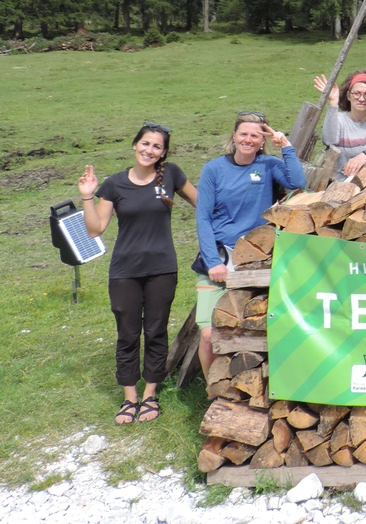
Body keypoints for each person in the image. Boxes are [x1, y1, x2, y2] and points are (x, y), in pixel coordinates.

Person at [77, 123, 197, 425]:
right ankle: (129, 398)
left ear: (164, 152)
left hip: (162, 269)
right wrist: (87, 196)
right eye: (145, 144)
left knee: (156, 331)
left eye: (156, 146)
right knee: (127, 334)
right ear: (135, 145)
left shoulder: (171, 175)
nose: (149, 150)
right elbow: (95, 229)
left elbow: (202, 203)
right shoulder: (114, 184)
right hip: (125, 272)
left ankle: (150, 395)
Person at [195, 112, 304, 379]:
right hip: (220, 255)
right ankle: (213, 388)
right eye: (243, 134)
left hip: (255, 258)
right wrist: (212, 262)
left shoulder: (267, 164)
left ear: (262, 140)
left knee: (251, 328)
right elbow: (203, 217)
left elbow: (297, 182)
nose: (248, 139)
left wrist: (286, 146)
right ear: (233, 136)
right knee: (210, 333)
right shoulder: (214, 168)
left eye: (255, 135)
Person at [313, 70, 366, 180]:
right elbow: (329, 141)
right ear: (349, 96)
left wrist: (364, 156)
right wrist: (333, 102)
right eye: (357, 93)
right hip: (337, 183)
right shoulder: (339, 119)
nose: (361, 99)